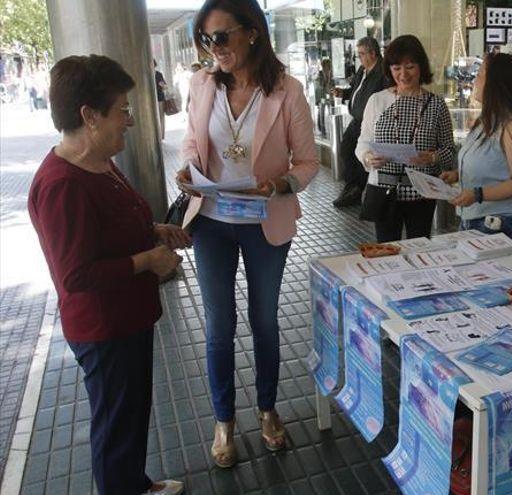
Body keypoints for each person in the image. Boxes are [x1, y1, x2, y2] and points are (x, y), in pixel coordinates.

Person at [28, 54, 187, 495]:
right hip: (104, 328)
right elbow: (76, 274)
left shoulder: (98, 162)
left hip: (126, 318)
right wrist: (147, 261)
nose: (130, 120)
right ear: (89, 116)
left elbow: (107, 230)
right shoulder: (63, 183)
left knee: (130, 412)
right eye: (122, 109)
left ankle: (134, 483)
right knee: (116, 422)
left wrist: (154, 230)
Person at [175, 0, 319, 468]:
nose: (213, 48)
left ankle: (267, 408)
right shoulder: (201, 84)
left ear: (253, 32)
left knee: (265, 322)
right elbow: (193, 142)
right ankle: (224, 420)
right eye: (205, 39)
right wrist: (186, 167)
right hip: (213, 222)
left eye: (221, 37)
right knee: (218, 327)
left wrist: (280, 184)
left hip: (265, 223)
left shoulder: (287, 91)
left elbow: (308, 161)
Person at [355, 34, 455, 242]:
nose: (403, 74)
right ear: (389, 69)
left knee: (419, 247)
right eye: (396, 68)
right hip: (384, 189)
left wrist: (432, 158)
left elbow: (449, 150)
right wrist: (368, 157)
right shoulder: (377, 101)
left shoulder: (436, 105)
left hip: (422, 192)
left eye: (410, 66)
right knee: (386, 249)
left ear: (421, 67)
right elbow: (363, 141)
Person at [439, 52, 512, 244]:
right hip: (474, 218)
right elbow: (491, 164)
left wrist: (478, 194)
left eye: (479, 75)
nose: (474, 81)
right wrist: (457, 175)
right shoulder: (486, 122)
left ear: (495, 83)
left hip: (501, 223)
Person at [332, 36, 388, 208]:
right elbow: (357, 90)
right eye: (359, 54)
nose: (360, 58)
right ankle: (353, 187)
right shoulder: (362, 71)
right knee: (346, 150)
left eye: (362, 54)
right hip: (357, 120)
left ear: (373, 53)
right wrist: (344, 94)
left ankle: (356, 189)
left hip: (370, 122)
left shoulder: (382, 72)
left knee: (361, 155)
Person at [154, 59, 167, 140]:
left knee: (161, 117)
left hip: (159, 98)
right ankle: (156, 135)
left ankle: (161, 135)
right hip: (151, 100)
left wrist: (162, 85)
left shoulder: (158, 74)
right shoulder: (146, 75)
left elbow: (165, 86)